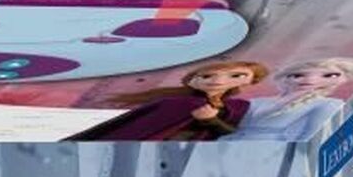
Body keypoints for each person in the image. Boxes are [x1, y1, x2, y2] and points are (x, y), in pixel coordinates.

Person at [66, 59, 268, 142]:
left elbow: (233, 134)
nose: (218, 81)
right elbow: (135, 131)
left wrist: (211, 120)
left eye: (236, 76)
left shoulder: (237, 107)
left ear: (251, 80)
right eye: (206, 76)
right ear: (193, 81)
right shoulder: (179, 104)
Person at [229, 57, 353, 141]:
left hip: (274, 155)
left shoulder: (328, 105)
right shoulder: (258, 101)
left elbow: (313, 138)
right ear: (284, 78)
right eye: (298, 75)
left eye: (327, 75)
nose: (310, 80)